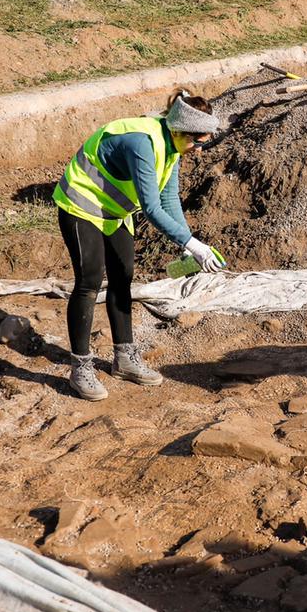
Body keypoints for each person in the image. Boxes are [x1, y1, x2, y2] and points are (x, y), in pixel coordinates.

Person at [53, 88, 225, 400]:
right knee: (90, 281)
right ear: (183, 131)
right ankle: (80, 367)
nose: (199, 149)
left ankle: (124, 359)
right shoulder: (142, 144)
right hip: (81, 205)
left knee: (123, 277)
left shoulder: (171, 145)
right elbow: (152, 208)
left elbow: (169, 198)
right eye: (198, 142)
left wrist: (186, 246)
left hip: (114, 211)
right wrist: (194, 244)